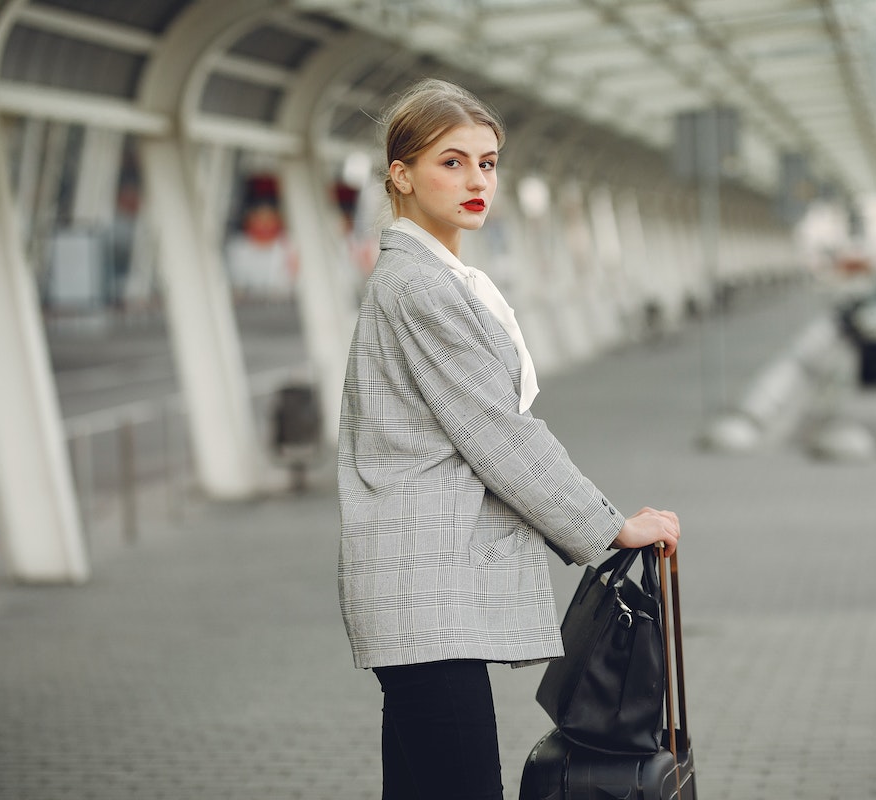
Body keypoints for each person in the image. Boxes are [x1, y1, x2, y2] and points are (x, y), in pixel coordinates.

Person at [337, 79, 681, 800]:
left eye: (488, 163)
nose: (476, 181)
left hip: (421, 594)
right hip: (427, 597)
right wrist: (610, 526)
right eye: (452, 162)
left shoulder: (433, 277)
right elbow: (500, 433)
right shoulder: (423, 288)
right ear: (400, 174)